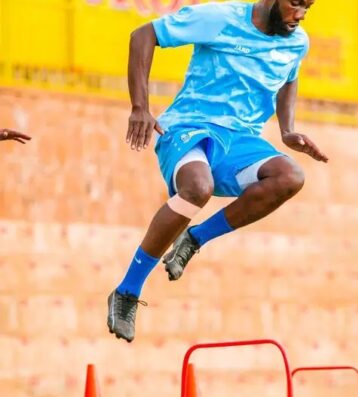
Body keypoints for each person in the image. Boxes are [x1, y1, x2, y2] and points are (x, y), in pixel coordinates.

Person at [107, 0, 327, 342]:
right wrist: (140, 107)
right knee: (198, 187)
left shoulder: (297, 41)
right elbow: (143, 35)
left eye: (308, 7)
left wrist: (287, 129)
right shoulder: (219, 18)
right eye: (295, 4)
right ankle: (127, 291)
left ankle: (195, 238)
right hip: (188, 127)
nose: (299, 15)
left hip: (239, 142)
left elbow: (290, 77)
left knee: (291, 176)